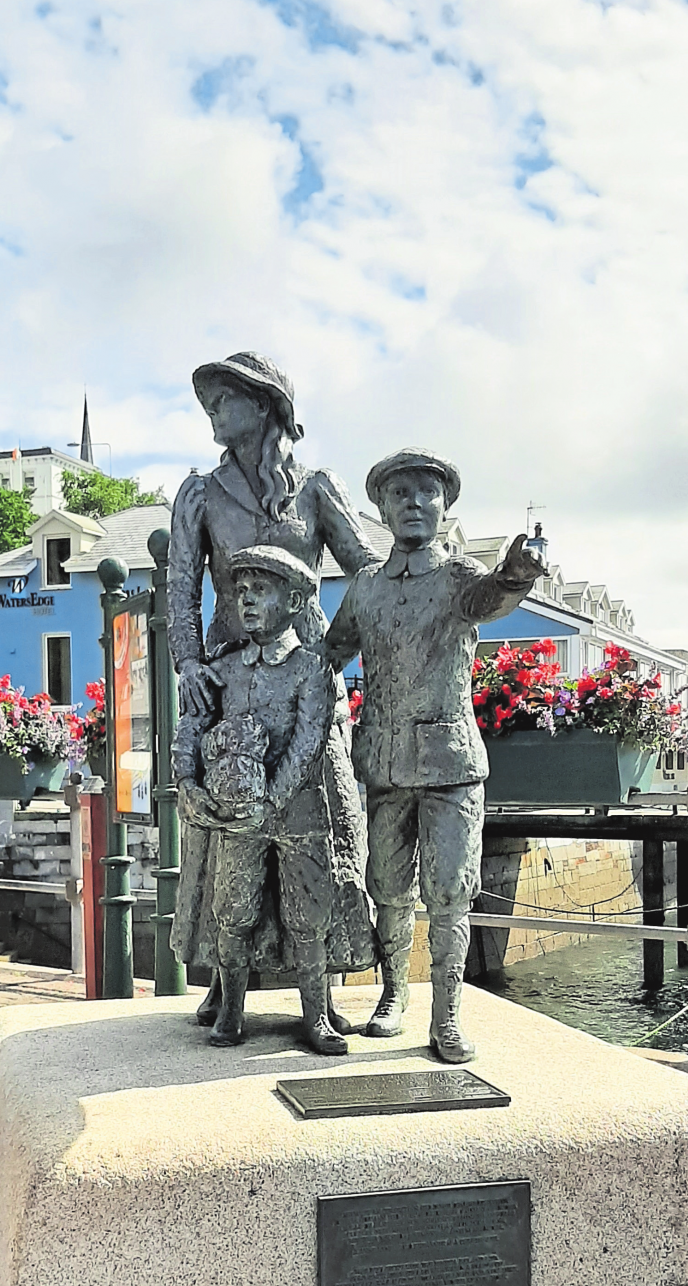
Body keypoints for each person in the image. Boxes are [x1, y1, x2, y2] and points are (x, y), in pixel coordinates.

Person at [167, 351, 376, 1011]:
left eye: (224, 400)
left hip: (305, 675)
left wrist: (332, 653)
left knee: (329, 820)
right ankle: (227, 978)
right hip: (232, 683)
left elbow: (365, 573)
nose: (213, 415)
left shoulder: (314, 488)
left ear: (264, 405)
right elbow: (180, 587)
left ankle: (325, 984)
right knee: (226, 831)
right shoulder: (199, 492)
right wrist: (189, 663)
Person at [323, 451, 543, 1061]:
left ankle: (446, 1017)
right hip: (386, 763)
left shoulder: (458, 579)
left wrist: (517, 573)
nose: (413, 503)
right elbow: (329, 653)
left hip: (450, 767)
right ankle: (393, 996)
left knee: (450, 893)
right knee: (388, 888)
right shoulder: (366, 586)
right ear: (382, 508)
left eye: (426, 492)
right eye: (400, 494)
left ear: (444, 506)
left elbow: (491, 598)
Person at [174, 545, 345, 1054]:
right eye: (240, 592)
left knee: (307, 914)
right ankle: (230, 1012)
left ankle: (316, 1017)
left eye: (260, 591)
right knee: (233, 911)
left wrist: (269, 803)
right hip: (236, 819)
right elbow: (191, 728)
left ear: (294, 600)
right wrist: (187, 783)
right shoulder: (223, 668)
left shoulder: (312, 669)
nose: (246, 601)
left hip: (297, 814)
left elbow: (307, 744)